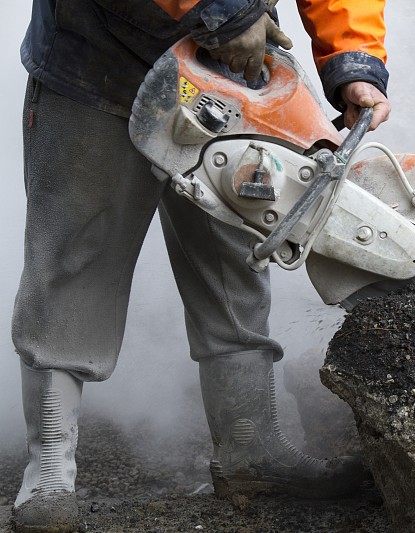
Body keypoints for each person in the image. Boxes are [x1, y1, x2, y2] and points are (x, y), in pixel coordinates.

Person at [11, 1, 391, 531]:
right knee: (75, 259)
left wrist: (354, 60)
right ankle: (49, 467)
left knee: (233, 260)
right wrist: (226, 11)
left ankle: (250, 449)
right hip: (98, 65)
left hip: (229, 71)